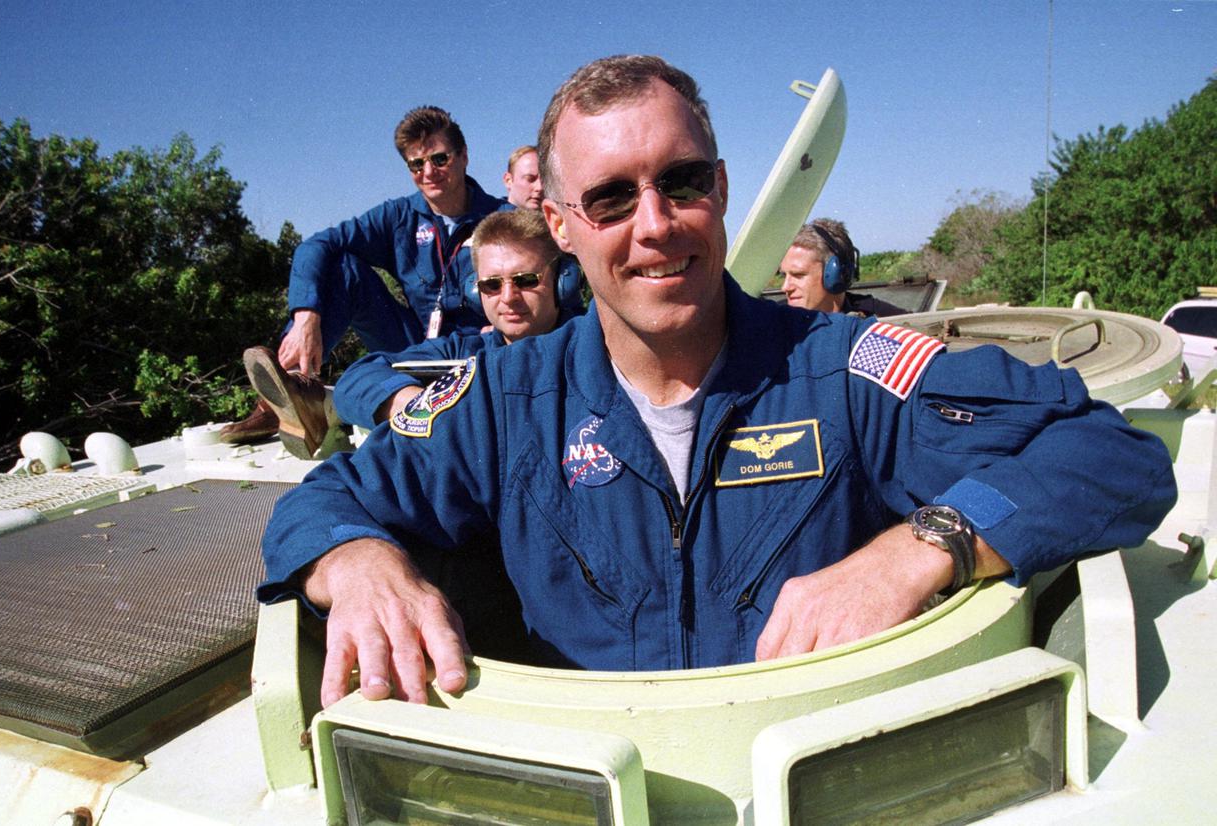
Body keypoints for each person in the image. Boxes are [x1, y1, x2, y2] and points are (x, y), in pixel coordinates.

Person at [258, 55, 1176, 707]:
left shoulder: (842, 370)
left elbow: (1110, 454)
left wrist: (922, 545)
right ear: (561, 227)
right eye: (611, 197)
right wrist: (361, 563)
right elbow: (322, 502)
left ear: (724, 189)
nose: (655, 223)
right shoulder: (504, 401)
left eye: (683, 181)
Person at [221, 106, 509, 445]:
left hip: (477, 350)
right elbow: (316, 245)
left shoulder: (503, 218)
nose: (429, 172)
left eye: (439, 159)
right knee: (345, 268)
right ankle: (290, 393)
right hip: (416, 347)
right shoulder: (399, 216)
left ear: (463, 156)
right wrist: (305, 317)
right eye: (416, 164)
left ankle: (334, 405)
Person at [246, 209, 576, 455]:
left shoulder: (591, 346)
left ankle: (317, 405)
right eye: (491, 284)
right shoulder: (466, 350)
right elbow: (357, 379)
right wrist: (427, 410)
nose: (508, 297)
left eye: (526, 280)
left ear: (563, 281)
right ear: (475, 292)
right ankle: (307, 394)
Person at [778, 219, 906, 316]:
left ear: (837, 274)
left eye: (798, 275)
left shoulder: (874, 313)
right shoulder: (772, 320)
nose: (785, 287)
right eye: (784, 275)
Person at [502, 145, 543, 210]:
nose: (540, 187)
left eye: (545, 182)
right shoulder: (488, 211)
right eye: (530, 179)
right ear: (508, 180)